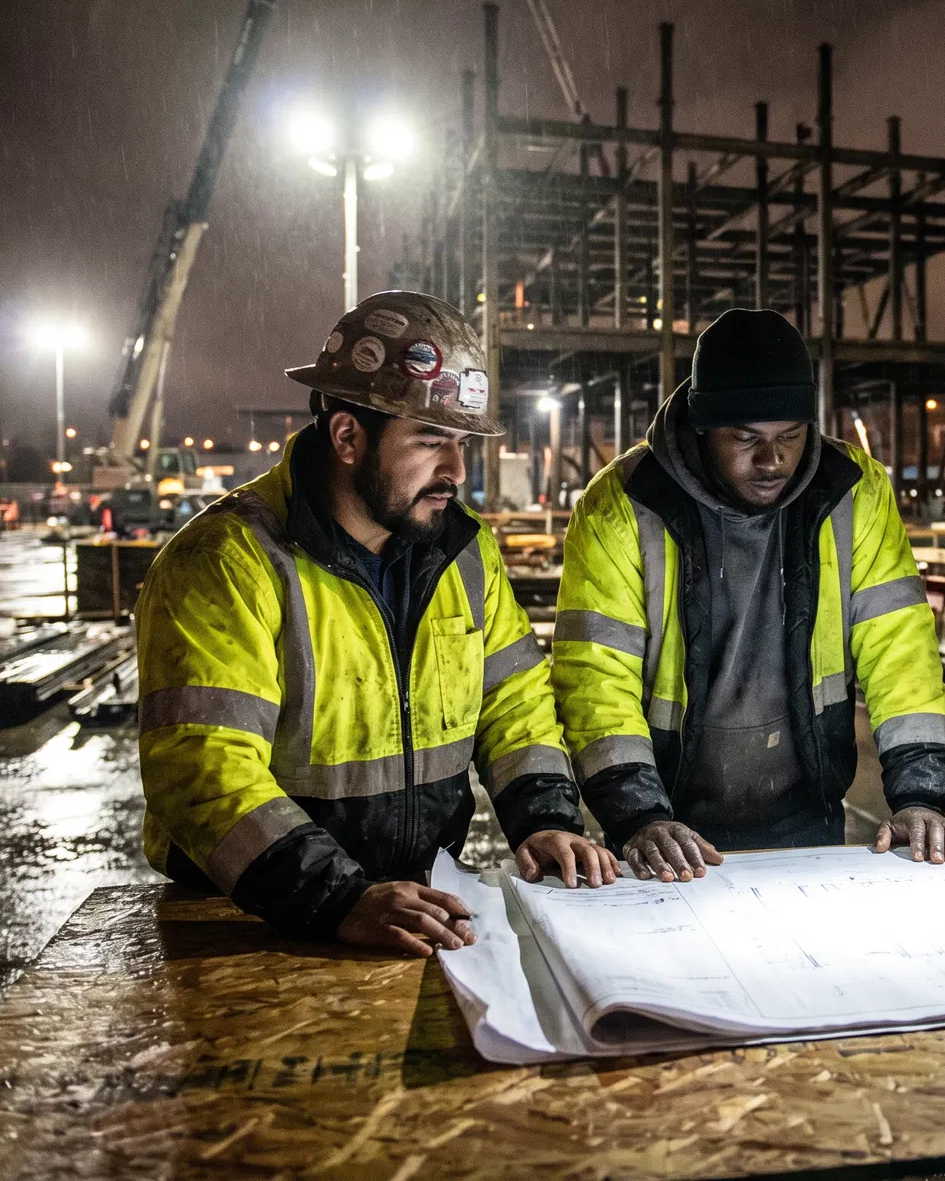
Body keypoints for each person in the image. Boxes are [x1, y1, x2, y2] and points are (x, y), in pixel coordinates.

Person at [137, 292, 617, 960]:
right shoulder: (226, 561)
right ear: (347, 437)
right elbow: (201, 768)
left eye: (461, 444)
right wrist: (336, 898)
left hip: (417, 908)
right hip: (251, 920)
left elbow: (514, 702)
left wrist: (544, 820)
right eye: (430, 441)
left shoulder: (464, 553)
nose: (456, 472)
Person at [553, 308, 945, 880]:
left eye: (789, 437)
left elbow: (901, 651)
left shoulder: (851, 491)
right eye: (746, 439)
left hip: (808, 812)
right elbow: (595, 675)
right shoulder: (624, 505)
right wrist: (637, 814)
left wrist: (920, 794)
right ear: (703, 427)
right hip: (664, 829)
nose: (772, 460)